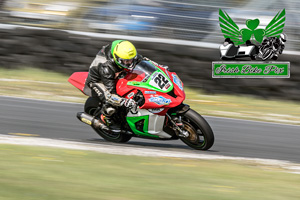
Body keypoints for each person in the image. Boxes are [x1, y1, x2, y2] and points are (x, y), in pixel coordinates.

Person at [84, 40, 167, 131]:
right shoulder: (106, 68)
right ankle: (107, 118)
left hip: (114, 71)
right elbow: (111, 93)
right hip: (98, 80)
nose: (129, 63)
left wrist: (160, 67)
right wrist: (124, 101)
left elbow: (144, 60)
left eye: (130, 60)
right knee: (111, 101)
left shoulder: (126, 52)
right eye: (125, 61)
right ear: (116, 58)